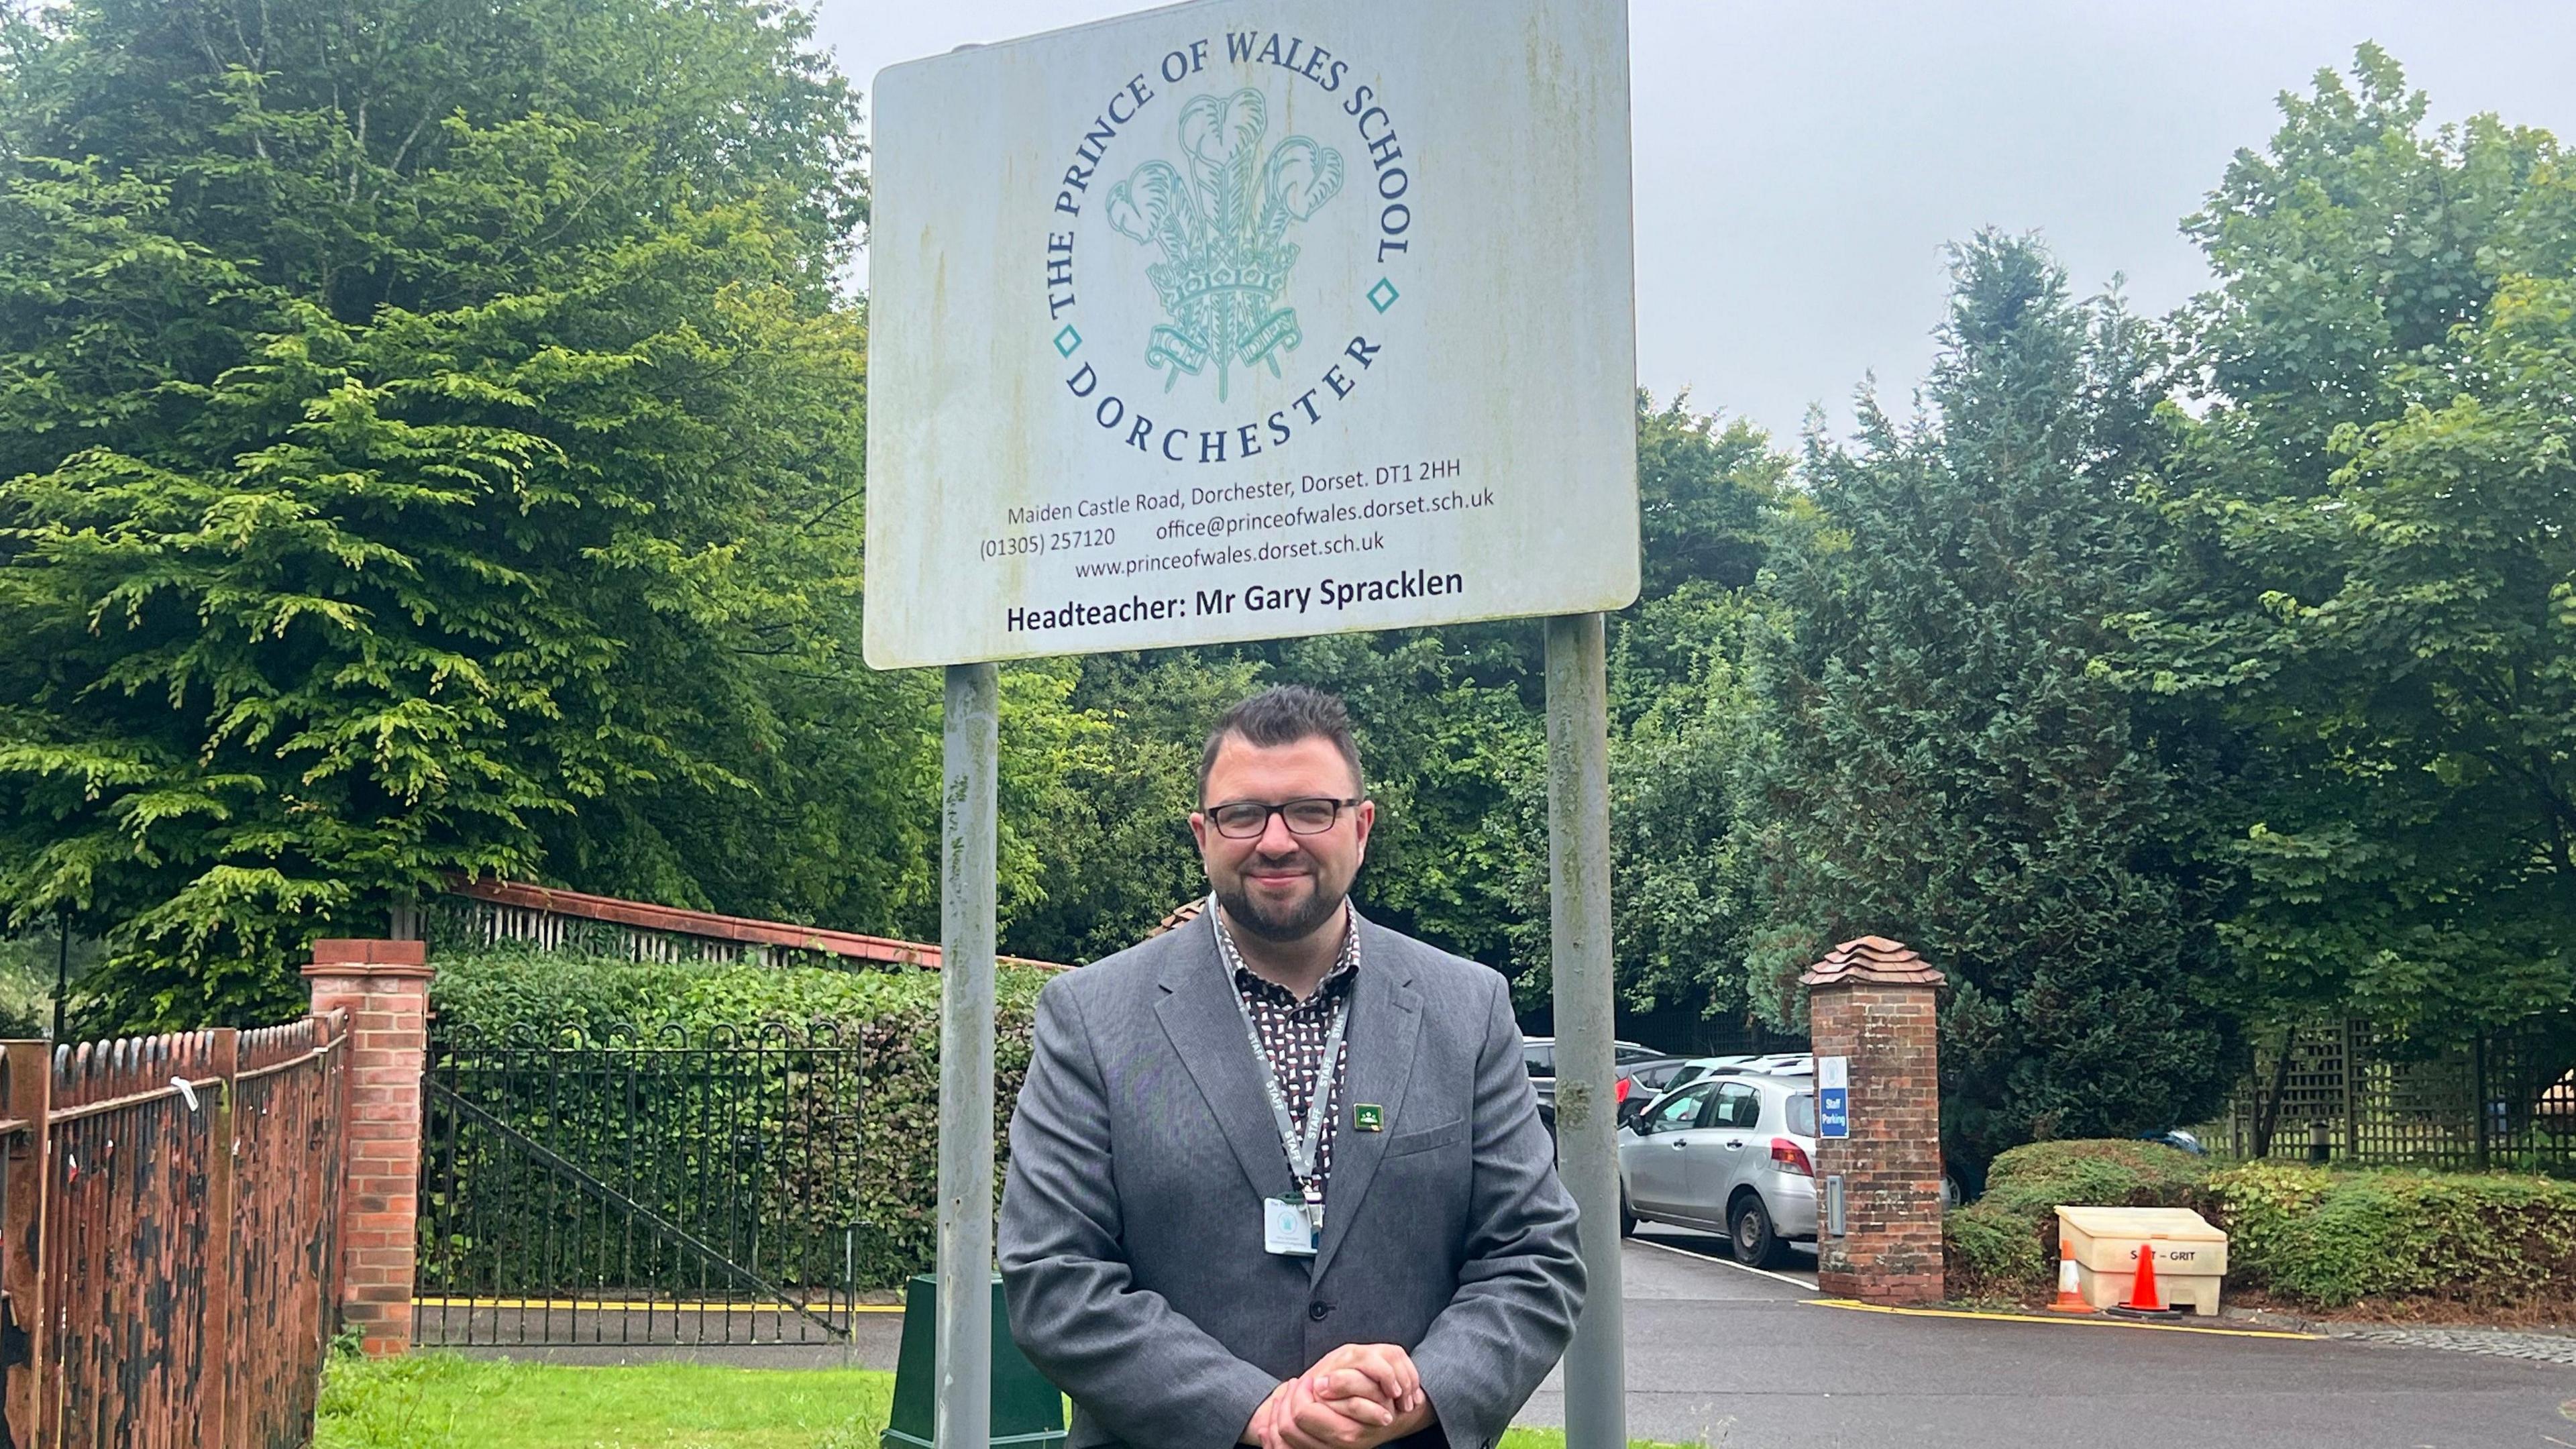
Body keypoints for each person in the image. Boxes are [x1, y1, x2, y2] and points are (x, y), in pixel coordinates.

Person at [1000, 686, 1585, 1449]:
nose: (1276, 841)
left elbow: (1534, 1258)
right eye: (1243, 814)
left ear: (1362, 826)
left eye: (1311, 810)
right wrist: (1255, 1409)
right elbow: (1054, 1278)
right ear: (1202, 834)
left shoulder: (1466, 1007)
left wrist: (1414, 1395)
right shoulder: (1091, 1016)